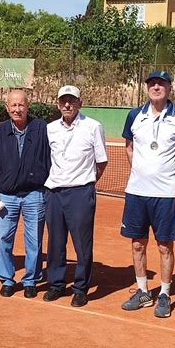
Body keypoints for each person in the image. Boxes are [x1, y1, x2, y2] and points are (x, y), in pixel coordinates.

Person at [120, 70, 175, 318]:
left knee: (164, 246)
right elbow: (129, 147)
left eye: (161, 83)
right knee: (138, 244)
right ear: (147, 88)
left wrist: (174, 175)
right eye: (152, 83)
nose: (156, 87)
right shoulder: (134, 115)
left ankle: (163, 293)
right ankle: (142, 291)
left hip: (166, 194)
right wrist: (139, 173)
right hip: (137, 192)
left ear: (169, 88)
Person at [44, 85, 108, 307]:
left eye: (72, 101)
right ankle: (56, 284)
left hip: (81, 192)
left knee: (82, 244)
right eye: (63, 101)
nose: (67, 105)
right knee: (55, 242)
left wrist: (86, 184)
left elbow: (101, 161)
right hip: (53, 193)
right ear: (58, 103)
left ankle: (81, 288)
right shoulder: (50, 128)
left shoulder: (93, 127)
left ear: (80, 103)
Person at [0, 89, 50, 298]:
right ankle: (7, 279)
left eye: (21, 105)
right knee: (4, 238)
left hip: (35, 194)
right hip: (6, 196)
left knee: (34, 240)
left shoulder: (41, 128)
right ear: (7, 108)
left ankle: (30, 280)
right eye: (13, 105)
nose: (17, 109)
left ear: (28, 106)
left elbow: (51, 160)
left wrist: (47, 189)